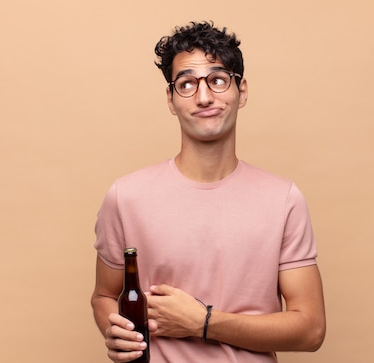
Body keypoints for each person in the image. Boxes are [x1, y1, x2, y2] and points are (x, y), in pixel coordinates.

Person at [91, 21, 326, 362]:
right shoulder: (125, 197)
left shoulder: (284, 199)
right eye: (186, 84)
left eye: (217, 80)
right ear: (171, 99)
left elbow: (311, 330)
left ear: (240, 90)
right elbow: (104, 296)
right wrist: (115, 332)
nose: (204, 97)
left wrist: (203, 323)